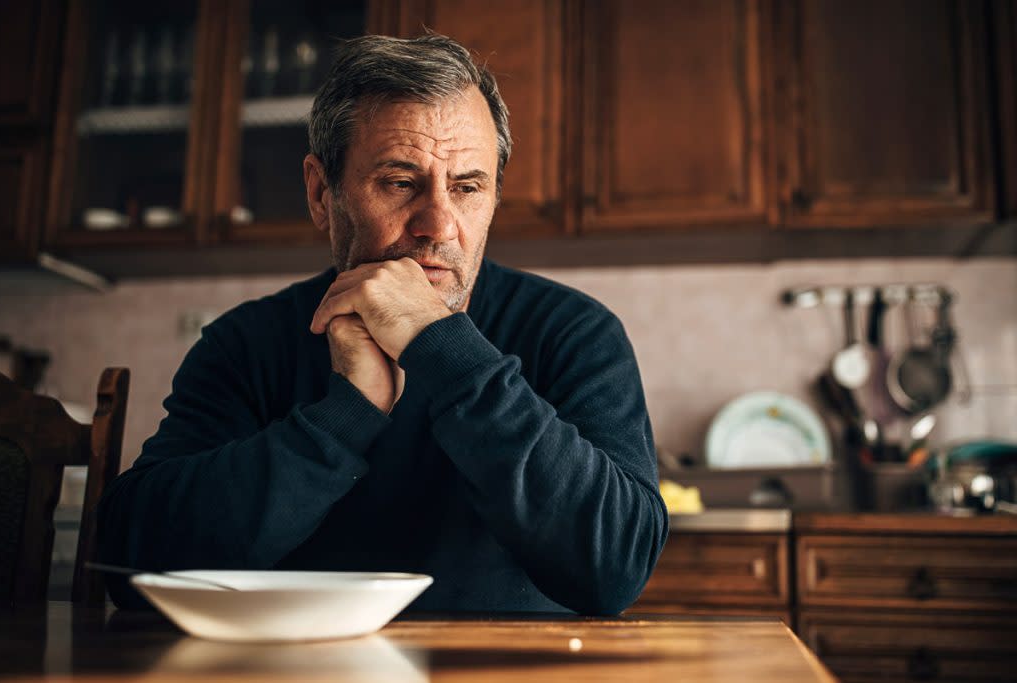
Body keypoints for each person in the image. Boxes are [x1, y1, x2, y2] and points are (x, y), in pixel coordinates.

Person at [98, 34, 667, 615]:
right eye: (400, 184)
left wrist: (442, 349)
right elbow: (131, 565)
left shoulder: (574, 332)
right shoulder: (245, 344)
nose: (439, 225)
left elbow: (614, 570)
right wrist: (346, 416)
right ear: (322, 194)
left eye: (468, 188)